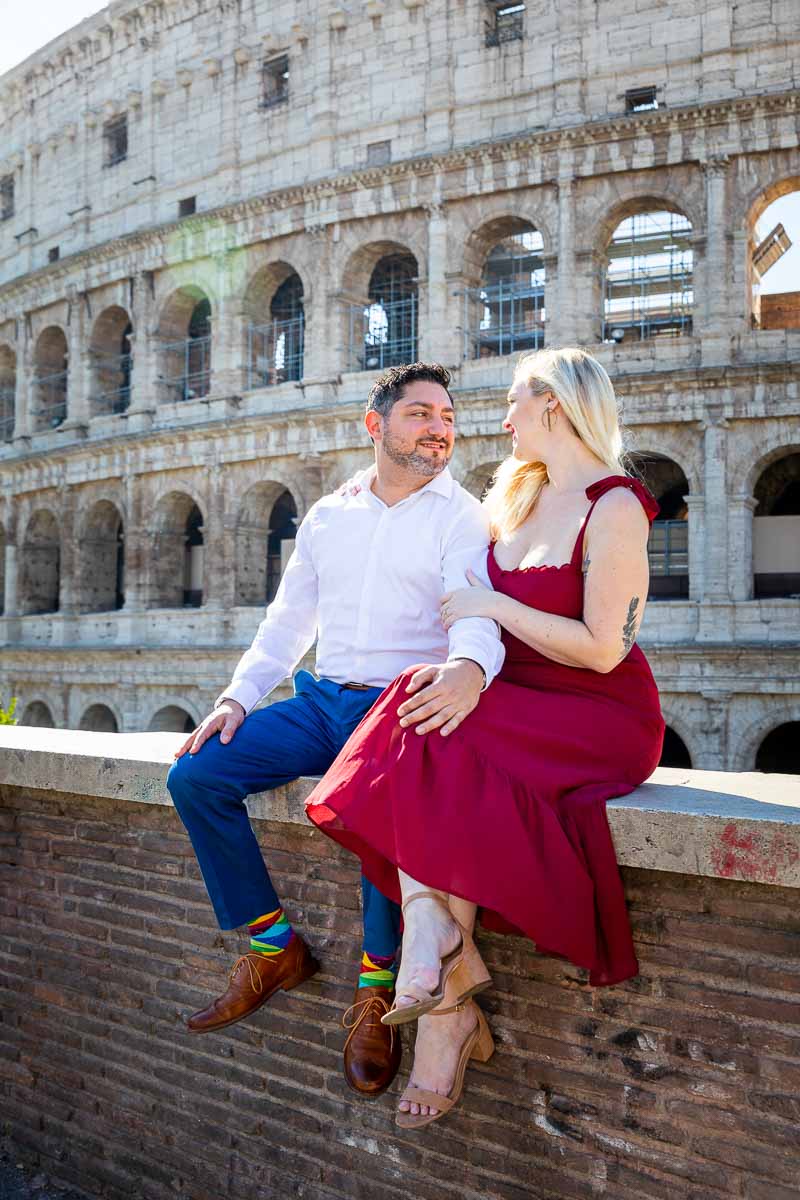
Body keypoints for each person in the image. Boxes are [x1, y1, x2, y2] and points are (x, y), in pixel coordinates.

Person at [306, 347, 666, 1127]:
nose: (499, 420)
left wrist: (495, 609)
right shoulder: (515, 496)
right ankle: (442, 960)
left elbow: (606, 647)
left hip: (598, 714)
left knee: (432, 720)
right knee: (424, 702)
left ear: (556, 405)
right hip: (519, 700)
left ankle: (441, 983)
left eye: (512, 402)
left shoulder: (616, 505)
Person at [166, 361, 504, 1099]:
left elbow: (474, 608)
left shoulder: (461, 515)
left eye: (447, 417)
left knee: (378, 818)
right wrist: (237, 699)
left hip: (400, 711)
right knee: (196, 774)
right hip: (323, 703)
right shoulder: (328, 514)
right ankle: (272, 945)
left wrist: (472, 670)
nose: (439, 430)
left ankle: (377, 993)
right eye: (421, 414)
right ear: (374, 424)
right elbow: (288, 624)